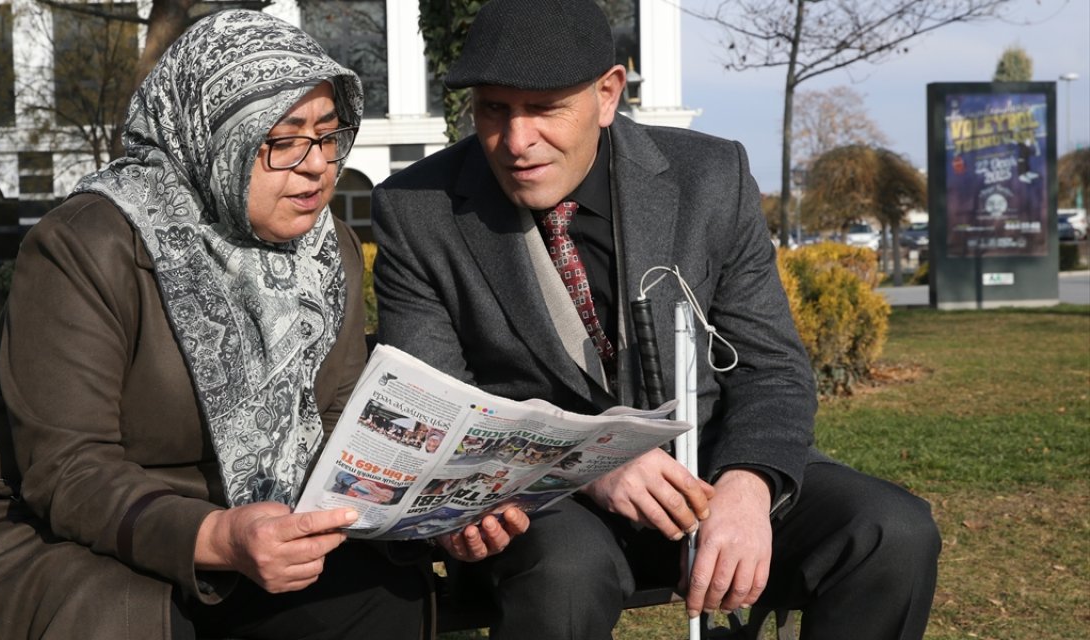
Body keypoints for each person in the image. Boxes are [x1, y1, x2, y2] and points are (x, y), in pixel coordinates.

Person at [370, 1, 941, 639]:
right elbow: (435, 412)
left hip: (712, 470)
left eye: (545, 108)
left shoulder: (711, 178)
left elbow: (770, 366)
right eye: (494, 109)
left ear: (608, 93)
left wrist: (749, 485)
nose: (515, 140)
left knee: (892, 532)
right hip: (548, 505)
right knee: (566, 575)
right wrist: (589, 462)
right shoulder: (417, 209)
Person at [0, 11, 436, 639]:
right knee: (128, 617)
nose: (317, 164)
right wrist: (215, 536)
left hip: (251, 526)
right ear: (214, 135)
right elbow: (68, 470)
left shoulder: (326, 248)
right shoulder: (85, 246)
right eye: (284, 140)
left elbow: (339, 411)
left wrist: (432, 496)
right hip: (39, 527)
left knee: (376, 593)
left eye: (327, 134)